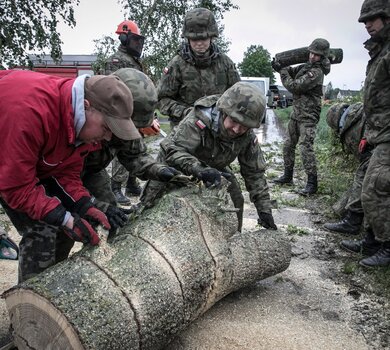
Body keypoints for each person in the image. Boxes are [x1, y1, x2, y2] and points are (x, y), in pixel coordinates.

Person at [0, 69, 140, 282]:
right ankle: (30, 306)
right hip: (9, 162)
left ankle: (54, 292)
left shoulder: (77, 124)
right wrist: (64, 218)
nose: (109, 135)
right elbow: (17, 187)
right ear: (86, 107)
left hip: (15, 163)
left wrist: (84, 206)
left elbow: (64, 172)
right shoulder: (29, 113)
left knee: (61, 222)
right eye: (106, 127)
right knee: (42, 228)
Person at [141, 81, 277, 232]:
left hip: (213, 167)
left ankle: (232, 237)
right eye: (234, 121)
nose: (237, 129)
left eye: (244, 126)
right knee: (150, 205)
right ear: (224, 111)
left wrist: (264, 210)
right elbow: (174, 151)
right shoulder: (197, 120)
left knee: (235, 196)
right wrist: (199, 169)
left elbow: (255, 173)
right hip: (174, 165)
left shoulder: (246, 136)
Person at [82, 68, 180, 231]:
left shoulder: (126, 129)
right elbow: (60, 182)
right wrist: (93, 205)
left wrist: (160, 171)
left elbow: (136, 156)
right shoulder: (83, 121)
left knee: (112, 217)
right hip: (59, 179)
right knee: (54, 233)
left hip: (93, 172)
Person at [340, 0, 390, 267]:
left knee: (375, 188)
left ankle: (387, 245)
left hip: (388, 134)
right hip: (377, 131)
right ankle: (370, 241)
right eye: (364, 21)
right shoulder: (379, 51)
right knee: (367, 183)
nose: (367, 25)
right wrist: (366, 134)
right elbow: (375, 100)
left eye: (372, 19)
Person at [157, 7, 240, 129]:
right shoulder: (177, 64)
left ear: (212, 37)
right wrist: (186, 112)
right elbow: (162, 99)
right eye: (194, 39)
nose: (199, 43)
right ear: (187, 38)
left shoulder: (225, 63)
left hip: (217, 129)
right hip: (185, 129)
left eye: (203, 38)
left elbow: (238, 95)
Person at [272, 38, 331, 195]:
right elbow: (292, 72)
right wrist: (281, 67)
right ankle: (287, 176)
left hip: (308, 115)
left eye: (316, 55)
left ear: (323, 57)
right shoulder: (307, 66)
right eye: (311, 53)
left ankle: (312, 184)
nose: (312, 57)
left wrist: (282, 72)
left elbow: (295, 87)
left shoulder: (316, 72)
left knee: (305, 147)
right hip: (297, 113)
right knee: (288, 144)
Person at [104, 20, 146, 205]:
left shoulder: (134, 61)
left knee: (136, 149)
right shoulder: (116, 61)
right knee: (123, 148)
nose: (138, 45)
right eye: (135, 40)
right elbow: (112, 89)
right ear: (124, 38)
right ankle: (115, 187)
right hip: (122, 115)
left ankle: (131, 182)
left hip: (135, 115)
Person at [323, 102, 368, 235]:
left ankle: (352, 223)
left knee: (362, 178)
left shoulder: (351, 127)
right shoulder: (360, 110)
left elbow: (362, 158)